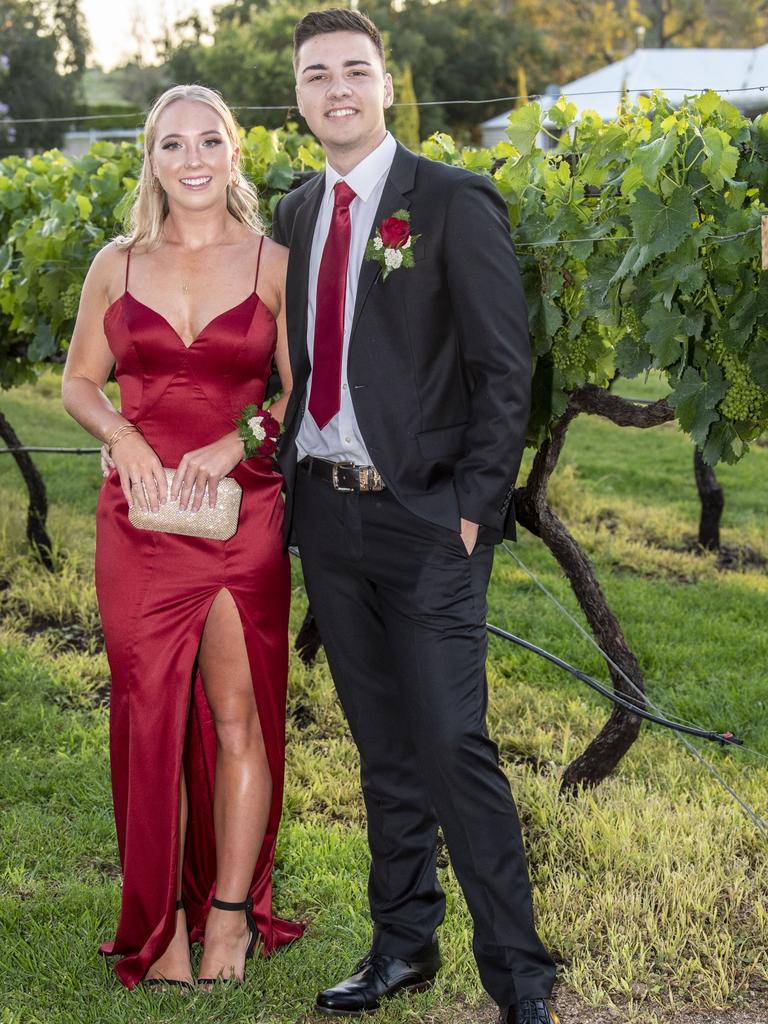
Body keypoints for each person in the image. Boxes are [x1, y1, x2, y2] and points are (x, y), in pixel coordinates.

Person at [271, 9, 559, 1024]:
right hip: (329, 520)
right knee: (382, 746)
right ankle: (403, 943)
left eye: (355, 70)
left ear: (387, 85)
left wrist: (474, 509)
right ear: (299, 94)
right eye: (317, 75)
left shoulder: (449, 200)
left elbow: (503, 368)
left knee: (451, 743)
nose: (336, 88)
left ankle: (521, 973)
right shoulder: (294, 213)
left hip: (430, 520)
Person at [61, 84, 303, 990]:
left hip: (242, 517)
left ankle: (231, 915)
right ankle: (159, 926)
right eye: (173, 144)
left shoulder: (275, 264)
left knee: (239, 716)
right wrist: (120, 435)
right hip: (139, 523)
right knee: (148, 720)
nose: (192, 159)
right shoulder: (114, 266)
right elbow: (81, 382)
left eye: (209, 141)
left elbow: (300, 395)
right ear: (151, 159)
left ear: (234, 153)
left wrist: (234, 438)